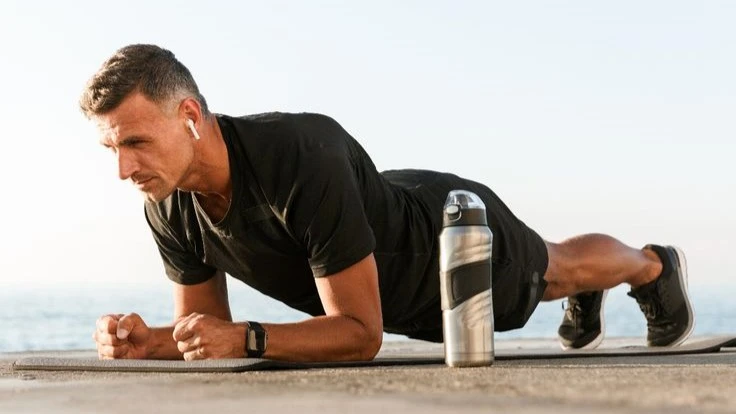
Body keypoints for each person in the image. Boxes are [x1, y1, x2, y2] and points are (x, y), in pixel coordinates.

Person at [83, 44, 694, 362]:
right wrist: (153, 341)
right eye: (112, 147)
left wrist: (246, 339)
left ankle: (651, 265)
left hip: (443, 239)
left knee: (555, 271)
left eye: (136, 141)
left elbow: (359, 334)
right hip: (378, 218)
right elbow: (206, 334)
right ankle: (600, 283)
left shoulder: (296, 154)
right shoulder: (166, 199)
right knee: (557, 274)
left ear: (189, 115)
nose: (123, 168)